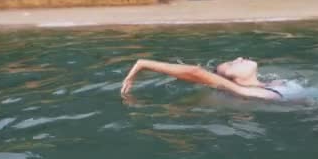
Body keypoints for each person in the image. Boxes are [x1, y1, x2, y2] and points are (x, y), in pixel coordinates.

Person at [120, 58, 284, 103]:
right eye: (231, 64)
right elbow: (195, 72)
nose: (239, 58)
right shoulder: (245, 91)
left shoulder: (274, 83)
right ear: (230, 80)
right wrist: (143, 64)